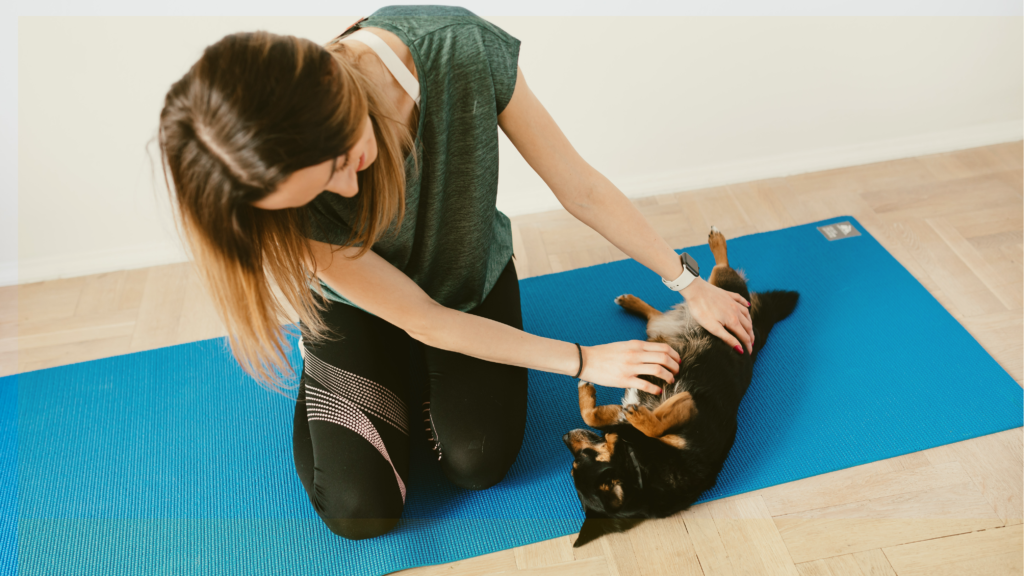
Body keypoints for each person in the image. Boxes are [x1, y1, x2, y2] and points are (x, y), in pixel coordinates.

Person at [157, 5, 753, 541]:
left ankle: (396, 378)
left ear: (334, 93)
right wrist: (584, 359)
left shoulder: (460, 47)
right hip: (371, 306)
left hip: (465, 281)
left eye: (341, 160)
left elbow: (580, 186)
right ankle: (340, 365)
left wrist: (687, 283)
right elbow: (421, 318)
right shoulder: (278, 196)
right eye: (318, 191)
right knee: (359, 512)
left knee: (478, 462)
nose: (347, 189)